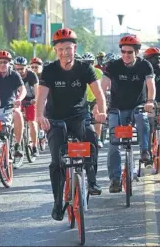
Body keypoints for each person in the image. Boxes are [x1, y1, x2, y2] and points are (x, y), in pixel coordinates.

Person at [36, 28, 106, 221]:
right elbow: (41, 97)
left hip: (79, 116)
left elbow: (99, 93)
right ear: (55, 51)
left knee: (91, 136)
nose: (65, 52)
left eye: (68, 48)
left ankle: (92, 181)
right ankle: (58, 202)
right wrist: (40, 117)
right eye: (60, 49)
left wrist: (101, 111)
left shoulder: (85, 68)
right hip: (55, 119)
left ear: (75, 48)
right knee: (57, 161)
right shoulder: (49, 70)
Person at [101, 35, 155, 193]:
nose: (126, 55)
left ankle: (145, 152)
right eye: (123, 51)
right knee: (114, 144)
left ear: (137, 52)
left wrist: (150, 101)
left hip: (138, 107)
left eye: (129, 52)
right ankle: (115, 180)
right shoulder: (113, 66)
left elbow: (150, 85)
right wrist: (101, 105)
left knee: (142, 117)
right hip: (117, 109)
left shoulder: (145, 65)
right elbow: (102, 87)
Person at [0, 50, 26, 170]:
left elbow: (22, 89)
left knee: (18, 114)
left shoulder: (14, 75)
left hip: (9, 107)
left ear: (10, 63)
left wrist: (19, 98)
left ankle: (17, 145)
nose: (3, 64)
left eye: (5, 62)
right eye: (0, 62)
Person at [14, 56, 39, 156]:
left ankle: (35, 146)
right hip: (18, 100)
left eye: (22, 68)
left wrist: (36, 99)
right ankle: (16, 142)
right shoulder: (13, 75)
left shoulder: (32, 75)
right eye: (17, 69)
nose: (20, 71)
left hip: (30, 100)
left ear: (26, 67)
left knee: (32, 123)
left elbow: (37, 89)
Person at [82, 52, 105, 148]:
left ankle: (98, 137)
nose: (88, 65)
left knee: (97, 115)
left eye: (90, 62)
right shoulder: (79, 71)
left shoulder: (98, 72)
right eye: (86, 63)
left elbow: (102, 86)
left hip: (95, 98)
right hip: (83, 99)